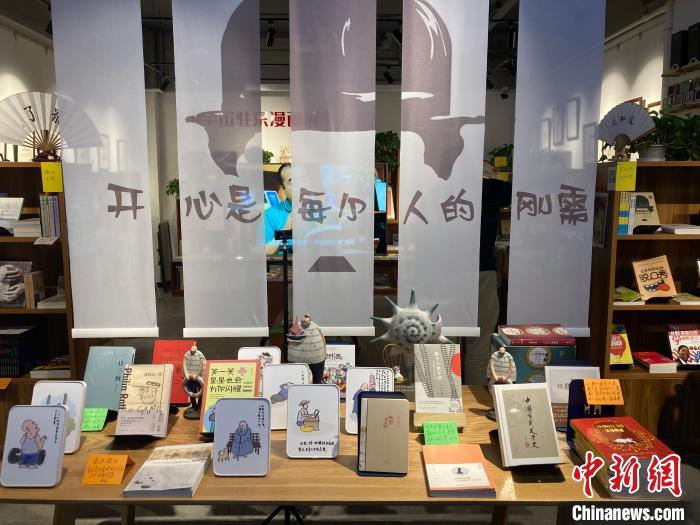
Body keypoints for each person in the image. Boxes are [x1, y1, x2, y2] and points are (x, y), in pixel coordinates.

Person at [463, 173, 512, 385]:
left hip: (444, 274)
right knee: (480, 344)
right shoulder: (491, 189)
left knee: (444, 344)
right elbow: (523, 188)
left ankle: (443, 399)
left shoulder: (437, 188)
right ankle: (473, 396)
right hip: (481, 273)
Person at [265, 163, 293, 255]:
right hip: (284, 263)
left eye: (303, 179)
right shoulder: (271, 214)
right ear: (282, 188)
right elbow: (265, 251)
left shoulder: (321, 211)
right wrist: (285, 229)